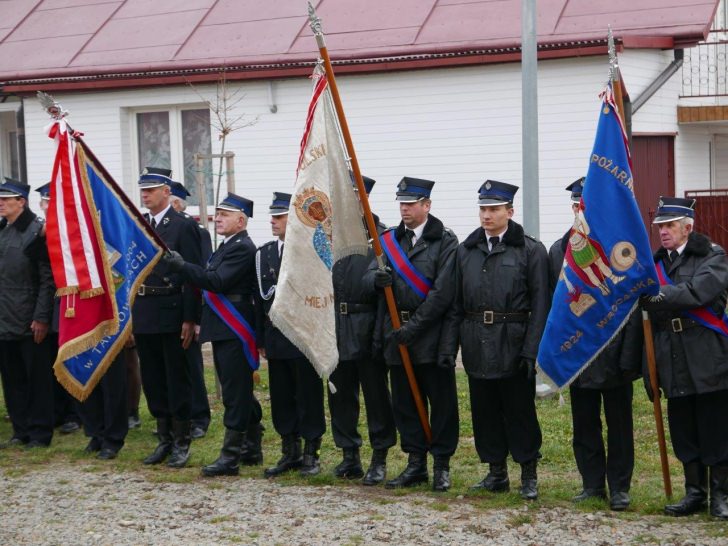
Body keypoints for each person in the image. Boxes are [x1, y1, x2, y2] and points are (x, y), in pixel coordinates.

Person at [442, 180, 548, 500]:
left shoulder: (530, 250)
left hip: (513, 342)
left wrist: (531, 350)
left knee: (519, 411)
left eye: (494, 209)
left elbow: (541, 303)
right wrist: (450, 347)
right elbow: (456, 304)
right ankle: (496, 472)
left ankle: (528, 472)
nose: (487, 215)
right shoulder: (466, 250)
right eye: (483, 209)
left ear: (509, 211)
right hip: (477, 342)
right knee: (484, 411)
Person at [548, 178, 642, 511]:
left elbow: (634, 308)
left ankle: (619, 488)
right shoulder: (560, 249)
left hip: (614, 353)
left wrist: (630, 357)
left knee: (619, 426)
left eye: (585, 205)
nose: (580, 211)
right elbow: (554, 309)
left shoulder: (622, 249)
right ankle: (592, 484)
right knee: (584, 424)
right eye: (576, 206)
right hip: (579, 354)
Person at [365, 177, 459, 492]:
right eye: (401, 203)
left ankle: (441, 465)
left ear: (426, 205)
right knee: (404, 402)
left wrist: (413, 328)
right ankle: (415, 462)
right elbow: (370, 274)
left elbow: (442, 293)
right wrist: (376, 280)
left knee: (441, 403)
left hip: (430, 335)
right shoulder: (389, 240)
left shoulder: (445, 241)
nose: (405, 209)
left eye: (411, 203)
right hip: (395, 332)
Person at [166, 192, 264, 476]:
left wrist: (182, 266)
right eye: (217, 213)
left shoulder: (242, 247)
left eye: (225, 214)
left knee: (235, 393)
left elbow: (217, 281)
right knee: (238, 390)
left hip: (234, 326)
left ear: (241, 220)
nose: (217, 218)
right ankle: (251, 447)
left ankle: (231, 457)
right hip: (222, 326)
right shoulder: (226, 246)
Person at [643, 196, 728, 520]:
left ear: (688, 227)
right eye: (660, 226)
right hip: (672, 356)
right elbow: (647, 325)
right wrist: (649, 371)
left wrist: (656, 295)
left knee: (715, 429)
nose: (663, 232)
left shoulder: (713, 256)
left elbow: (697, 293)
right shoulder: (656, 266)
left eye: (669, 226)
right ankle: (694, 492)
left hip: (707, 353)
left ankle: (720, 496)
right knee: (684, 430)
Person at [131, 167, 203, 468]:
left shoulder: (183, 226)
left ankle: (181, 440)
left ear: (166, 192)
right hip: (146, 310)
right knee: (153, 379)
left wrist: (191, 318)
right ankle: (163, 438)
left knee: (177, 378)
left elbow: (194, 275)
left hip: (173, 309)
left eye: (151, 190)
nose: (145, 195)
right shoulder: (141, 224)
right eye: (142, 190)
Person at [329, 176, 397, 484]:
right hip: (336, 328)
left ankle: (379, 456)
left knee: (375, 396)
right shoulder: (329, 237)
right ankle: (349, 455)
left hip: (368, 328)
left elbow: (375, 275)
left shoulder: (380, 239)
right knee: (340, 396)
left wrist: (376, 280)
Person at [255, 192, 326, 478]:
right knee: (282, 395)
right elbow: (258, 300)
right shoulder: (265, 253)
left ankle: (311, 452)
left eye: (280, 216)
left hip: (304, 335)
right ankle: (290, 451)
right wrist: (261, 339)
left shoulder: (310, 249)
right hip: (275, 335)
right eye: (272, 216)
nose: (273, 221)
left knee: (308, 395)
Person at [0, 177, 55, 448]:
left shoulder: (36, 232)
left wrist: (41, 316)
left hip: (29, 317)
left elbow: (47, 280)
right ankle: (20, 430)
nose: (0, 204)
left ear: (21, 201)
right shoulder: (2, 230)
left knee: (37, 379)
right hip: (3, 317)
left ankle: (40, 431)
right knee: (12, 379)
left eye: (5, 199)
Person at [35, 182, 82, 436]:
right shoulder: (42, 232)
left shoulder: (72, 230)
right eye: (46, 204)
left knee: (71, 358)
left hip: (72, 302)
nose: (49, 209)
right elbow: (32, 257)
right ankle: (59, 410)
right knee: (52, 360)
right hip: (50, 302)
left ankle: (76, 412)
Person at [168, 180, 212, 439]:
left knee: (191, 364)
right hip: (166, 308)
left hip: (187, 303)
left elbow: (199, 273)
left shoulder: (194, 230)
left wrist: (195, 317)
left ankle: (199, 416)